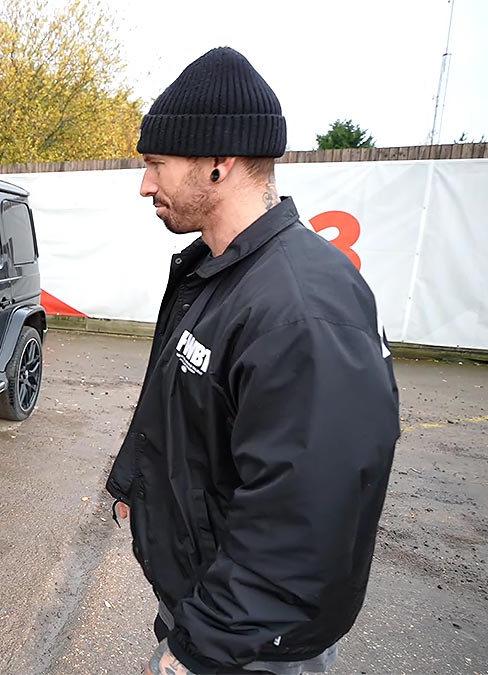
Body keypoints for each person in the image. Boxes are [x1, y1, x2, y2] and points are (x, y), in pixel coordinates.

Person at [105, 47, 400, 675]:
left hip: (250, 645)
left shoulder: (302, 306)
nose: (144, 183)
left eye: (156, 164)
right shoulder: (213, 274)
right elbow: (178, 402)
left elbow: (304, 517)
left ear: (219, 164)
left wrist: (199, 649)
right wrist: (133, 480)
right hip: (204, 601)